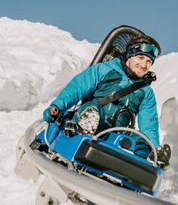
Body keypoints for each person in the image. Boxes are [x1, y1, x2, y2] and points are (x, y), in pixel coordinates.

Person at [43, 35, 169, 164]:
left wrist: (152, 146)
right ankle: (84, 133)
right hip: (88, 120)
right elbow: (76, 88)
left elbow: (149, 126)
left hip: (117, 132)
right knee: (93, 109)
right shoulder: (103, 70)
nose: (144, 65)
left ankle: (149, 161)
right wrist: (57, 107)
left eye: (149, 61)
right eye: (141, 57)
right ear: (130, 56)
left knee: (141, 140)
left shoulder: (146, 92)